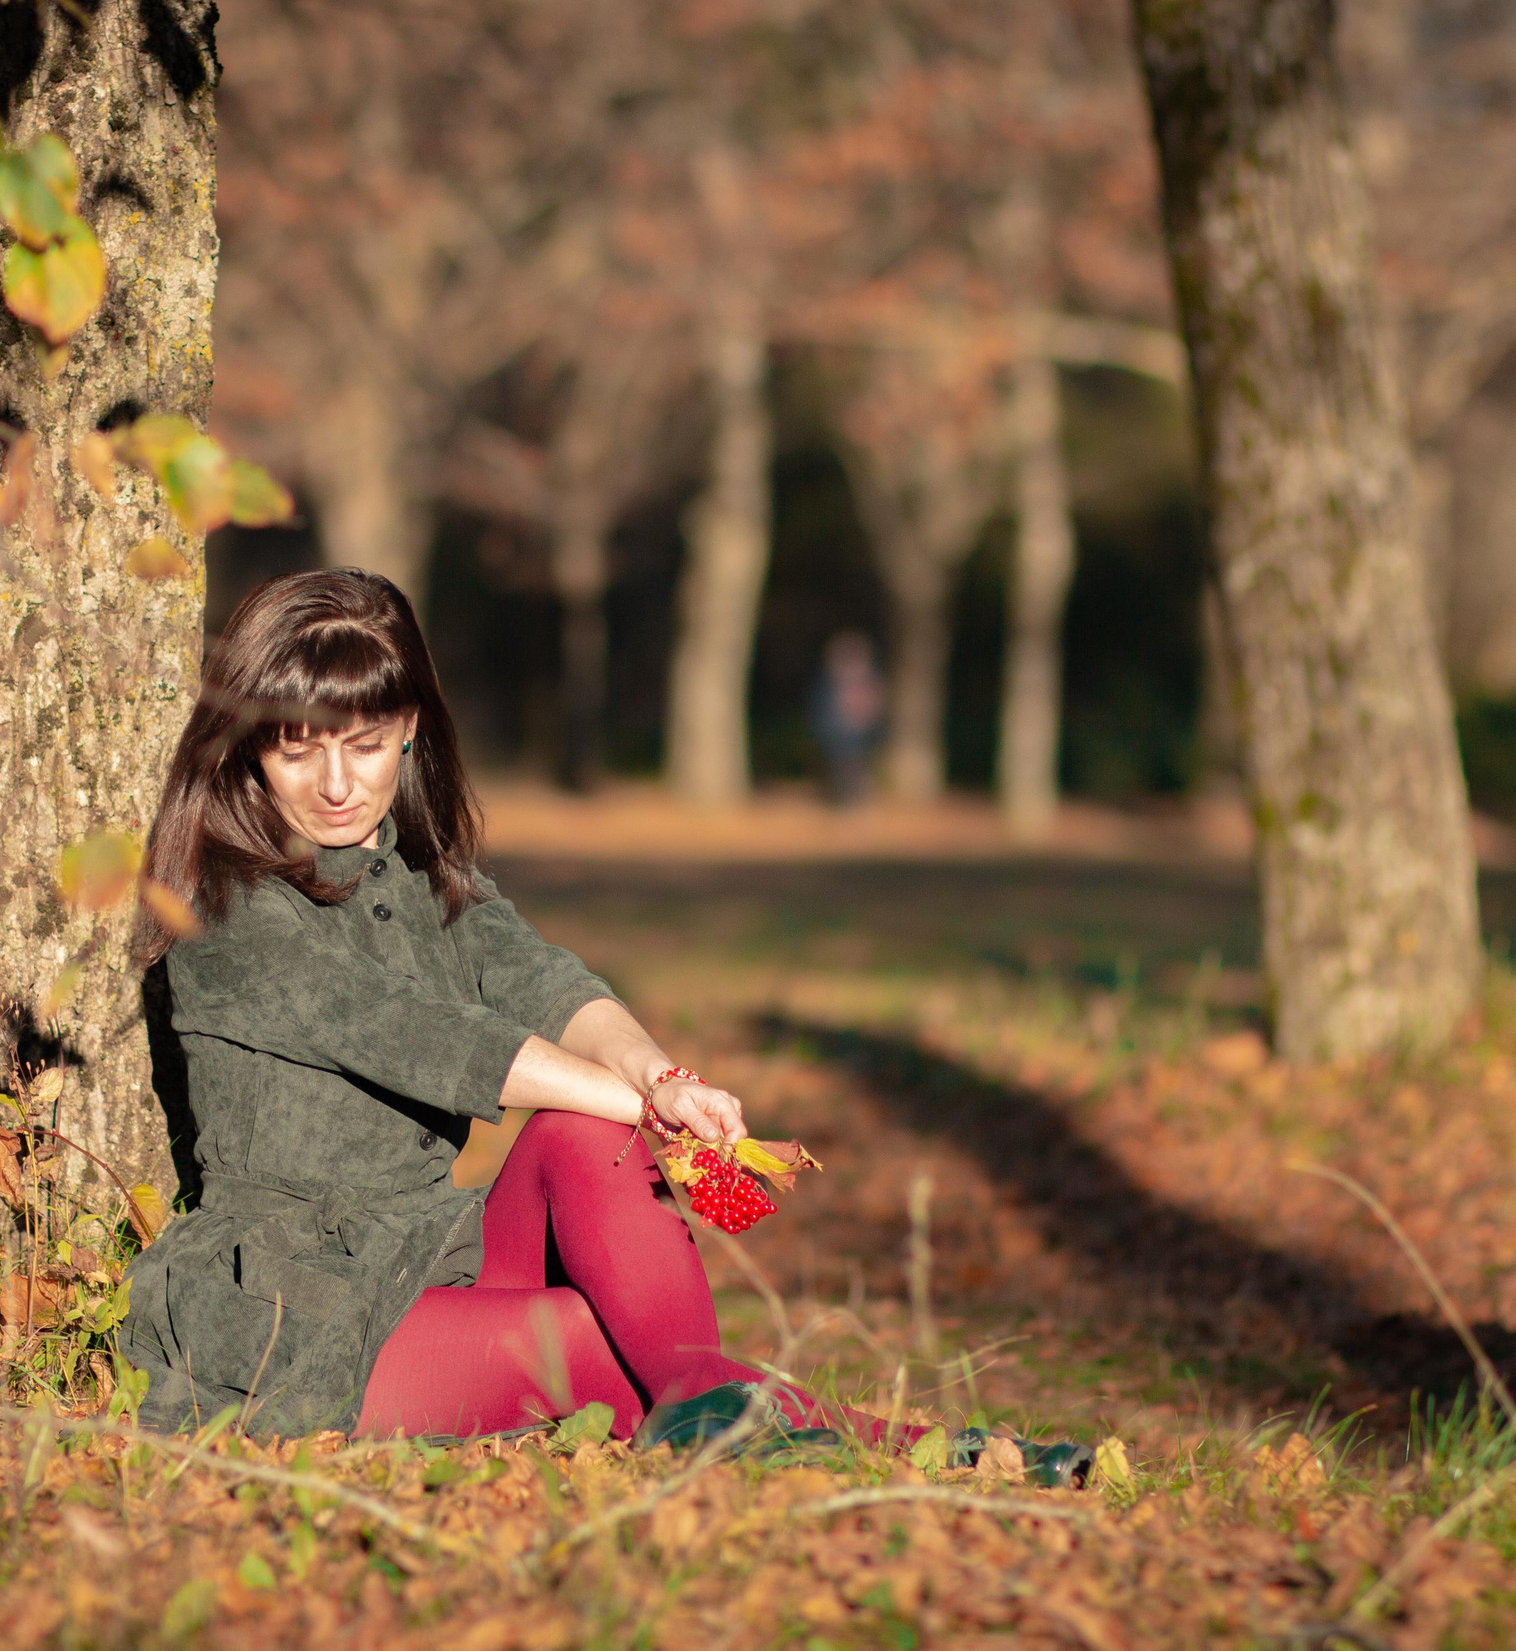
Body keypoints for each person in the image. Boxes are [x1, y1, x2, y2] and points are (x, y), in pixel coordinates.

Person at [118, 570, 1089, 1482]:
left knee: (595, 1144)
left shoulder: (417, 875)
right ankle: (923, 1449)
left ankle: (829, 1430)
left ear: (408, 728)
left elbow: (543, 982)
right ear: (249, 744)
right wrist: (642, 1101)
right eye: (298, 748)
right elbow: (419, 1036)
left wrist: (660, 1082)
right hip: (299, 1303)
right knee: (609, 1343)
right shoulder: (224, 907)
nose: (336, 783)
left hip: (430, 1250)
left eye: (363, 743)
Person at [809, 630, 885, 806]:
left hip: (857, 732)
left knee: (856, 764)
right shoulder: (831, 680)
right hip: (839, 731)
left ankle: (854, 798)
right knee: (841, 765)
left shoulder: (865, 678)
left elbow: (872, 703)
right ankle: (843, 798)